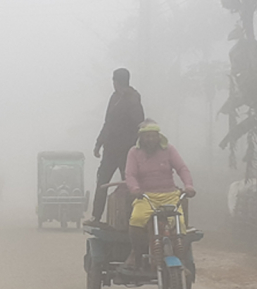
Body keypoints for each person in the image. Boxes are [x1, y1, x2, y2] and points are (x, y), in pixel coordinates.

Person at [124, 120, 196, 269]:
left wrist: (188, 186)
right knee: (136, 219)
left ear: (159, 137)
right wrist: (135, 189)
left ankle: (180, 257)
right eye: (147, 136)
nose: (150, 139)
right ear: (141, 138)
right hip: (146, 197)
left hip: (170, 195)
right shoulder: (134, 152)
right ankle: (136, 253)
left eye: (153, 136)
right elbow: (130, 174)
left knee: (180, 224)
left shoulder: (169, 149)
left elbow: (182, 168)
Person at [83, 68, 144, 226]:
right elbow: (108, 123)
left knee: (129, 183)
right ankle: (96, 216)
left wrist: (138, 147)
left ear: (116, 81)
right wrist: (99, 143)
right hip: (110, 150)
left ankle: (132, 218)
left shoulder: (133, 98)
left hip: (126, 151)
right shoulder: (115, 97)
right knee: (102, 181)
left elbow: (139, 124)